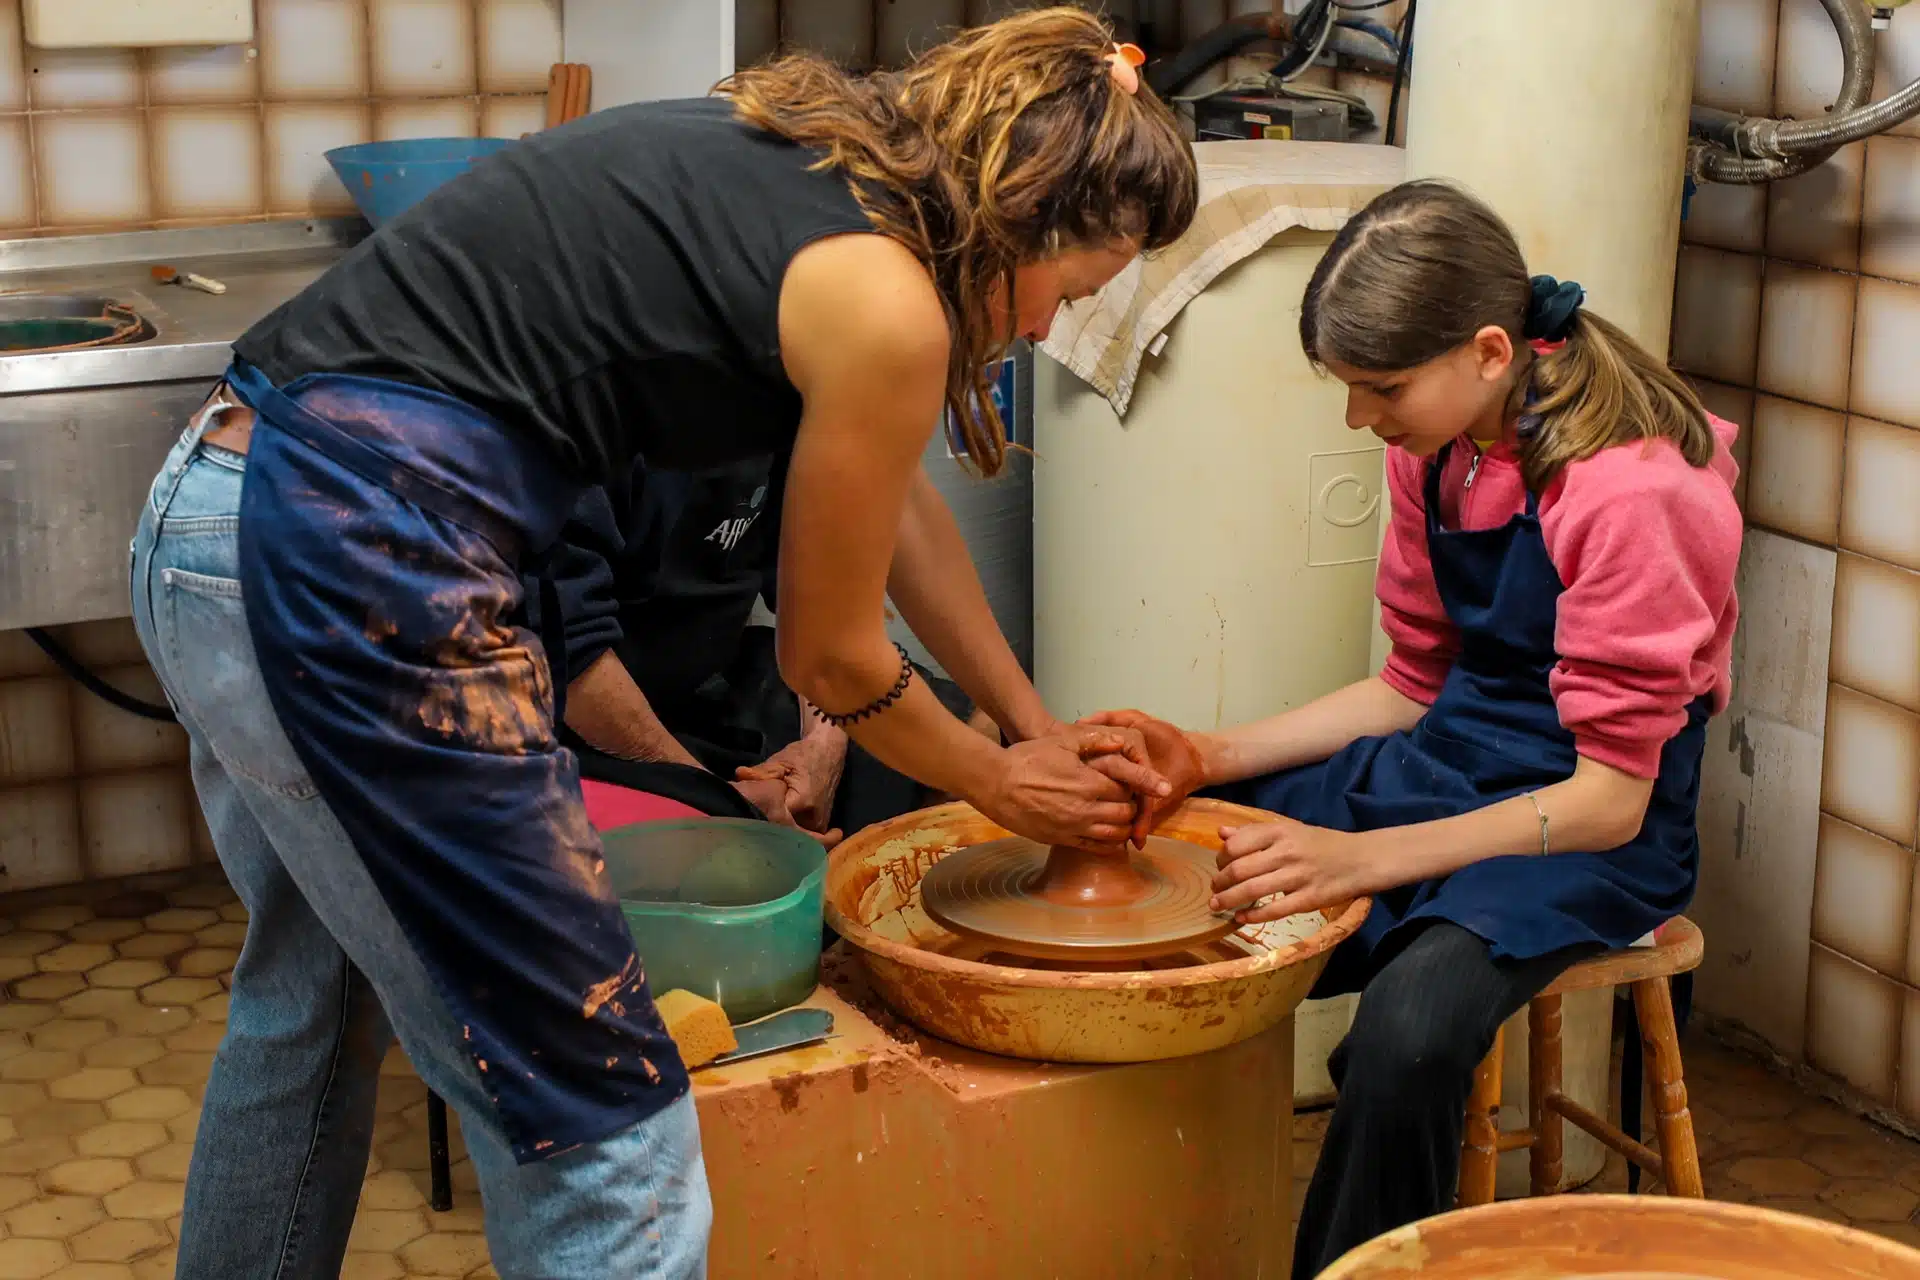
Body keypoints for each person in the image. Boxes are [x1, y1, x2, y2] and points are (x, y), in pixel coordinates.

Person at [126, 11, 1197, 1277]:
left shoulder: (807, 161)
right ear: (1018, 213)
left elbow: (895, 501)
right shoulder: (889, 299)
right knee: (604, 1123)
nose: (1037, 332)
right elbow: (833, 661)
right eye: (1064, 294)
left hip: (217, 518)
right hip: (351, 568)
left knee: (310, 1006)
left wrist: (1031, 718)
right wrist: (1004, 781)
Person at [1092, 180, 1743, 1277]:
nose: (1360, 416)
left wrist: (1360, 858)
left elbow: (1608, 796)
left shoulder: (1633, 490)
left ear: (1491, 350)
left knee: (1412, 1028)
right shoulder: (1438, 447)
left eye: (1379, 386)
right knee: (1158, 849)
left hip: (1589, 829)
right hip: (1451, 762)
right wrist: (1205, 756)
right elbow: (1409, 684)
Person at [533, 450, 1003, 845]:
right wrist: (714, 798)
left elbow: (821, 606)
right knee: (726, 862)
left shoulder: (786, 395)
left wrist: (821, 747)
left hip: (713, 675)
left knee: (972, 731)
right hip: (580, 712)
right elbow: (570, 653)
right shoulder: (599, 412)